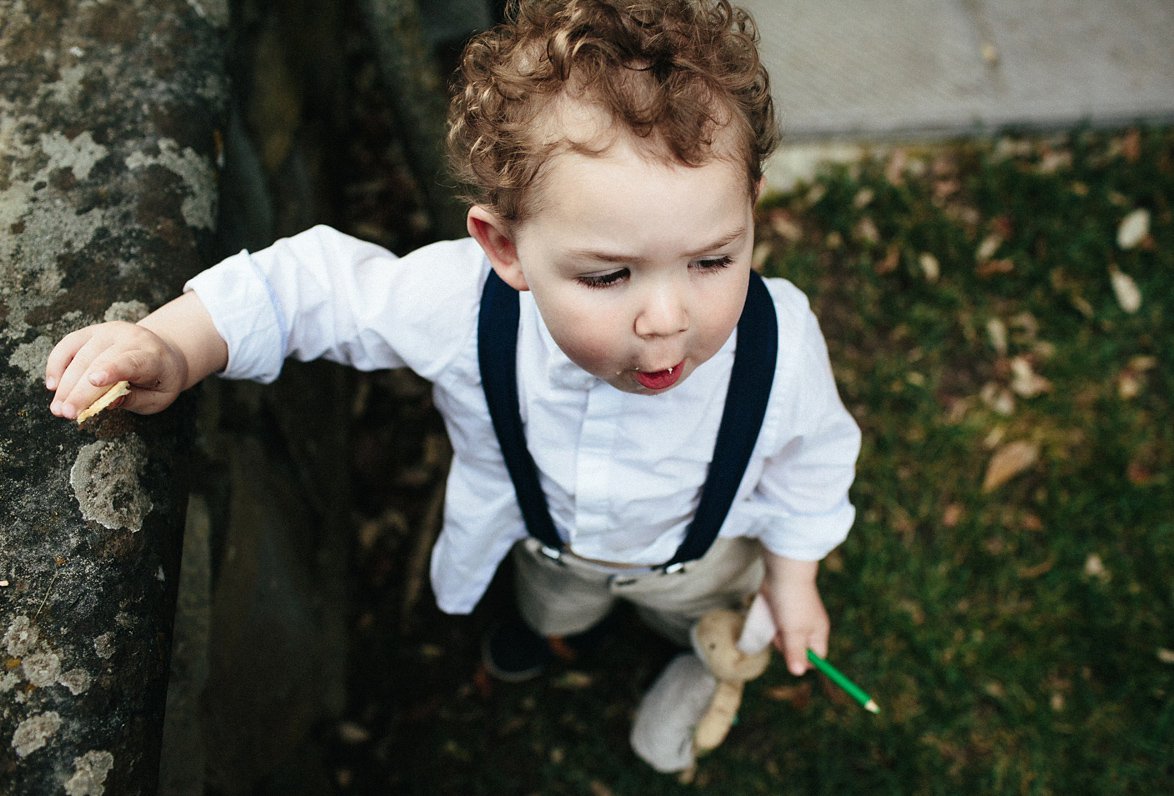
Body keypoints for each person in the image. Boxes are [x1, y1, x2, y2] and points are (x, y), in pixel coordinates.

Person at [45, 0, 859, 735]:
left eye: (713, 260)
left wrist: (793, 576)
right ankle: (548, 630)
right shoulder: (462, 307)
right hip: (550, 547)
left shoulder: (780, 343)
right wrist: (177, 343)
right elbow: (314, 289)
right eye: (607, 276)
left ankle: (682, 644)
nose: (667, 318)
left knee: (700, 613)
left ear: (749, 206)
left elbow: (811, 463)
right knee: (553, 600)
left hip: (704, 556)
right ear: (506, 248)